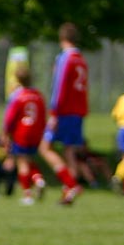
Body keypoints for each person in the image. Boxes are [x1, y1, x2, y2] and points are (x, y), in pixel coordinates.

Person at [4, 64, 81, 205]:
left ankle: (27, 194)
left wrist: (6, 132)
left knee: (22, 161)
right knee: (29, 159)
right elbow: (42, 116)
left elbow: (10, 117)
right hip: (36, 131)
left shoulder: (17, 96)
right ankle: (38, 179)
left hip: (22, 131)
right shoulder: (38, 95)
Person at [47, 22, 90, 177]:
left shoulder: (65, 58)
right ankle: (71, 188)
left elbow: (60, 87)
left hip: (64, 110)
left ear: (62, 38)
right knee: (69, 150)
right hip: (78, 111)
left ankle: (69, 184)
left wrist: (53, 112)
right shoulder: (81, 60)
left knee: (45, 147)